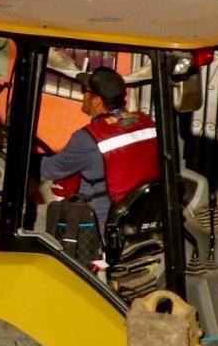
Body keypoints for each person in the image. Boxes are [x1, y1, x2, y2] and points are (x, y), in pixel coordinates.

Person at [38, 65, 158, 232]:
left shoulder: (88, 138)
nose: (83, 95)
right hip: (140, 219)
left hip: (98, 227)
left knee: (42, 218)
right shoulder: (146, 122)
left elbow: (50, 170)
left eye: (84, 91)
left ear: (96, 100)